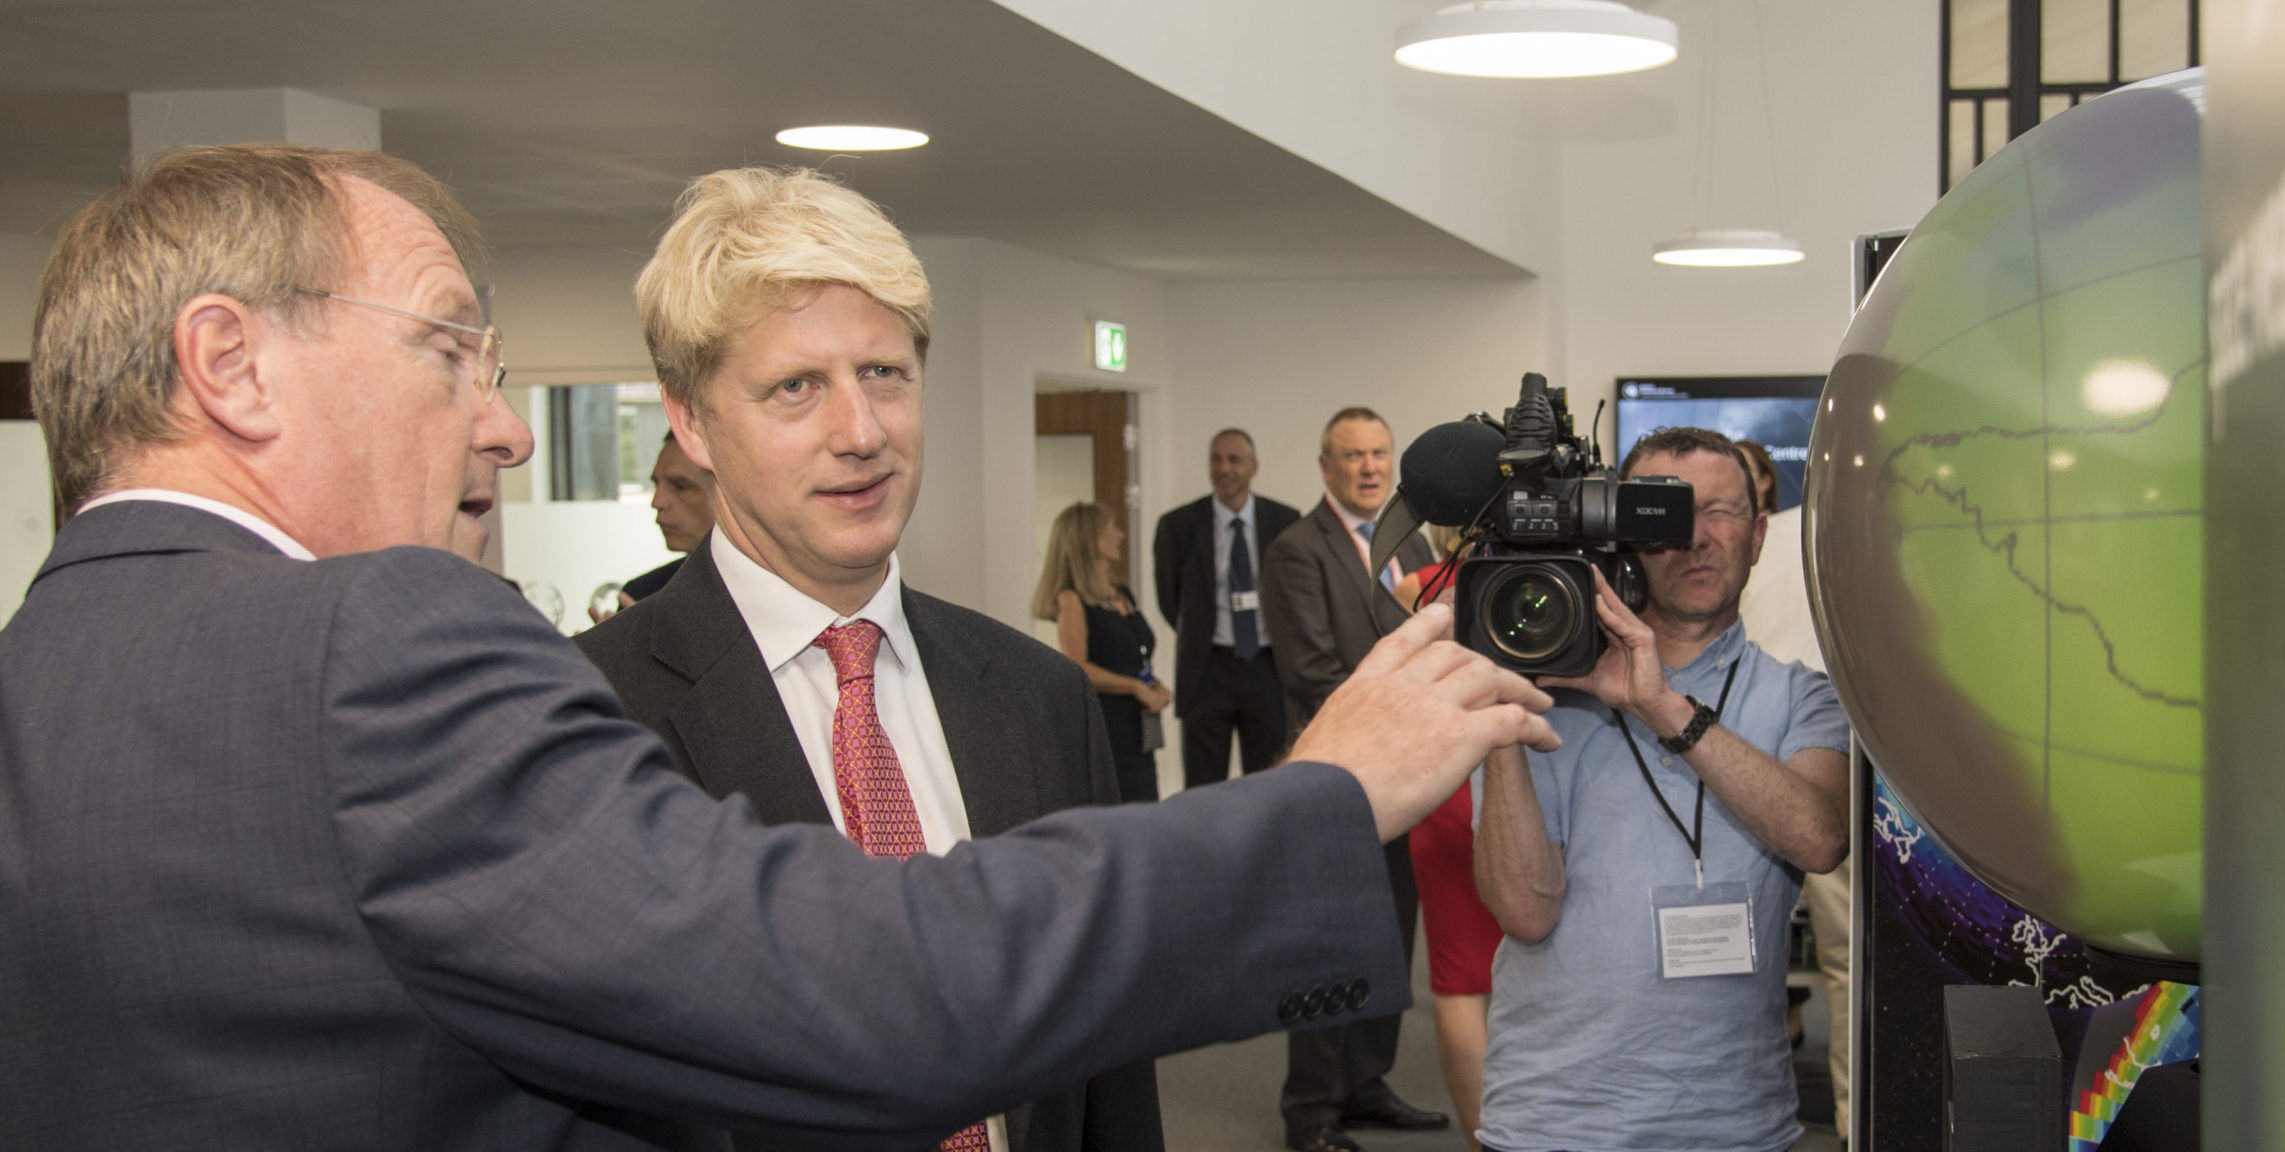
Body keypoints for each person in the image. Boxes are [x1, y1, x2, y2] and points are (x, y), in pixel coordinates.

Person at [0, 143, 1559, 1150]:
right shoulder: (399, 653)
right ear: (229, 364)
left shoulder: (46, 674)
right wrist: (1326, 792)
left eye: (886, 375)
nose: (501, 427)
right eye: (449, 353)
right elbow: (884, 987)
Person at [577, 169, 1172, 1151]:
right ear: (691, 422)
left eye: (884, 373)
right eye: (796, 387)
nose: (861, 434)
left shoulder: (1039, 698)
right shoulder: (587, 716)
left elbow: (1109, 1065)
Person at [1474, 426, 1852, 1152]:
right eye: (1666, 512)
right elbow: (1524, 910)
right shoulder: (1543, 697)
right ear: (1623, 533)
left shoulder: (1803, 698)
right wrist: (1503, 714)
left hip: (1737, 1127)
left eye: (1720, 511)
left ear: (1758, 536)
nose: (1695, 537)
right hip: (1555, 1121)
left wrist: (1659, 703)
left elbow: (1819, 838)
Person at [1262, 407, 1447, 1152]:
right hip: (1334, 780)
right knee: (1327, 945)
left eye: (1379, 453)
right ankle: (1311, 1109)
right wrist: (1415, 706)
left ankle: (1366, 1085)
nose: (1369, 467)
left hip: (1407, 773)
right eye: (1352, 455)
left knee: (1389, 935)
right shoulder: (1296, 550)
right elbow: (1311, 673)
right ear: (1325, 465)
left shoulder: (1415, 541)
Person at [1734, 437, 1852, 1141]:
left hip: (1802, 761)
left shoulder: (1800, 540)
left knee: (1840, 958)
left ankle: (1850, 1120)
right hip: (1771, 762)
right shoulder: (1818, 537)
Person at [1392, 525, 1504, 1152]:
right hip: (1525, 776)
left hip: (1447, 783)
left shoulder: (1416, 590)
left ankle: (1485, 1144)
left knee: (1460, 980)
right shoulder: (1546, 583)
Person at [1152, 428, 1299, 790]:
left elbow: (1295, 593)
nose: (1224, 469)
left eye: (1234, 460)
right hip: (1207, 669)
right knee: (1203, 787)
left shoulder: (1285, 521)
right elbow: (1170, 600)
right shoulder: (1179, 525)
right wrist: (1201, 631)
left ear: (1253, 467)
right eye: (1216, 460)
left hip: (1267, 668)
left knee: (1269, 782)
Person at [1037, 501, 1168, 803]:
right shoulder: (1071, 599)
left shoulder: (1123, 594)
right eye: (1111, 529)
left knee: (1146, 810)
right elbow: (1077, 667)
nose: (1120, 535)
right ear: (1088, 539)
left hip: (1140, 728)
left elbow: (1132, 657)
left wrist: (1155, 687)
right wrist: (1134, 687)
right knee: (1118, 810)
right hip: (1108, 728)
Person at [617, 430, 718, 604]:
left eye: (680, 486)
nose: (657, 502)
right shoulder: (641, 593)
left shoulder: (766, 595)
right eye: (656, 485)